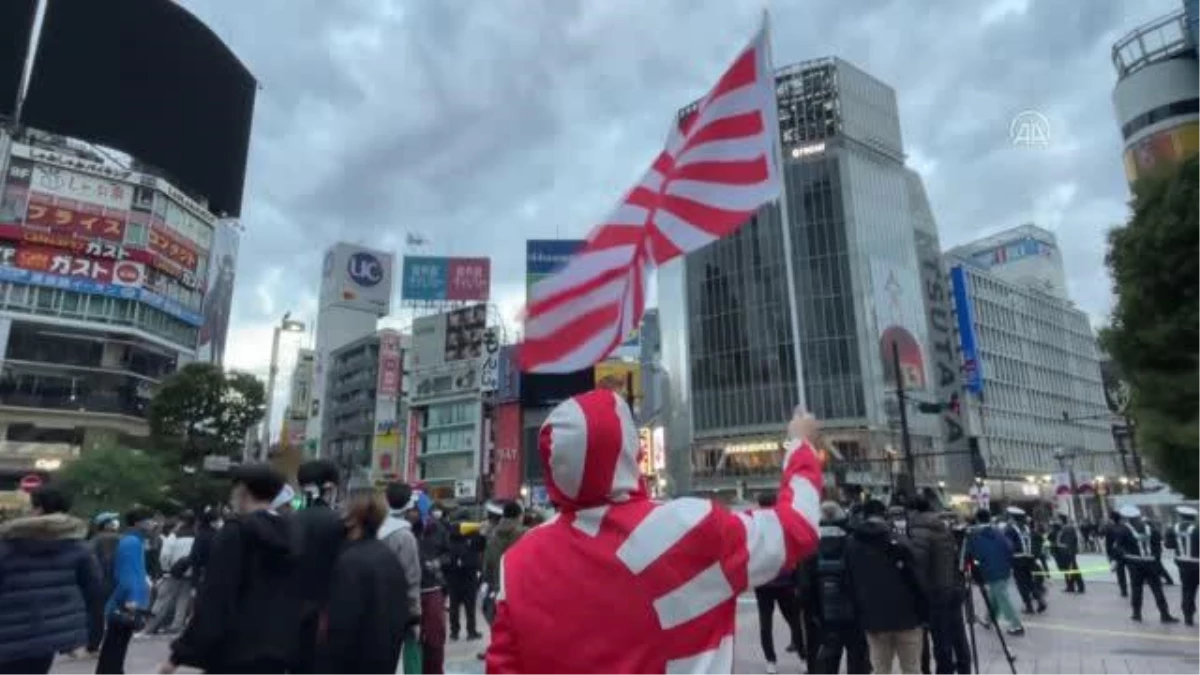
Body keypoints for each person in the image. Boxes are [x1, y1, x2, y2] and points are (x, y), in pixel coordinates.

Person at [486, 390, 823, 674]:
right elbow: (798, 526)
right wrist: (800, 445)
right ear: (634, 454)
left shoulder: (518, 562)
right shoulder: (689, 528)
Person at [158, 464, 303, 675]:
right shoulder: (293, 534)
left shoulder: (236, 532)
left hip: (234, 652)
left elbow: (216, 597)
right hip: (278, 652)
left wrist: (177, 657)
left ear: (242, 490)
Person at [0, 484, 103, 675]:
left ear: (38, 509)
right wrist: (91, 638)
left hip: (7, 639)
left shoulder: (7, 545)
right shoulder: (78, 548)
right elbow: (94, 593)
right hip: (46, 641)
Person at [317, 486, 409, 675]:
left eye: (344, 508)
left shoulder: (351, 561)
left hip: (353, 664)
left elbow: (341, 625)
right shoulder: (389, 557)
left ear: (352, 516)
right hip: (385, 660)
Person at [844, 499, 926, 675]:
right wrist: (924, 610)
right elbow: (917, 579)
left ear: (863, 516)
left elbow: (849, 582)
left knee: (880, 669)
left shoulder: (851, 544)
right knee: (912, 669)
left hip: (873, 618)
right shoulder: (898, 541)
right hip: (907, 617)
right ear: (885, 515)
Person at [800, 501, 869, 675]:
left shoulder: (811, 546)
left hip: (824, 614)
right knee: (858, 657)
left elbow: (804, 587)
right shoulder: (854, 543)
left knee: (826, 658)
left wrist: (812, 612)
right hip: (854, 612)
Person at [291, 459, 347, 675]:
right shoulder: (339, 523)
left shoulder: (288, 521)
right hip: (327, 617)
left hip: (288, 618)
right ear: (330, 487)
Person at [907, 497, 970, 675]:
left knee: (941, 641)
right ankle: (965, 669)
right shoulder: (942, 527)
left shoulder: (918, 531)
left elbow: (918, 565)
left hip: (935, 594)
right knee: (958, 636)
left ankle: (945, 671)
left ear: (913, 512)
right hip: (953, 589)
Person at [751, 491, 805, 675]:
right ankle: (803, 657)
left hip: (763, 581)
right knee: (794, 620)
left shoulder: (754, 522)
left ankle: (770, 661)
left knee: (765, 624)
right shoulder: (784, 520)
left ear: (758, 503)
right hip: (785, 578)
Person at [96, 507, 154, 675]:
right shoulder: (132, 542)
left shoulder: (132, 540)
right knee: (116, 645)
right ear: (138, 523)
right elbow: (130, 574)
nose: (152, 523)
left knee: (115, 644)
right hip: (126, 602)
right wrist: (133, 599)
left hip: (123, 599)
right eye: (148, 519)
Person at [380, 482, 424, 674]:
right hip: (399, 607)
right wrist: (415, 612)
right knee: (406, 654)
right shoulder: (405, 536)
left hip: (376, 604)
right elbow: (411, 577)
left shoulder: (375, 529)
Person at [963, 509, 1024, 636]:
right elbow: (1010, 547)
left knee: (1002, 597)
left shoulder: (973, 534)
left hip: (989, 570)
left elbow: (969, 554)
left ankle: (1016, 625)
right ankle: (989, 620)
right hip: (1004, 568)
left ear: (977, 519)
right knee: (995, 596)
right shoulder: (998, 531)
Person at [1114, 504, 1178, 624]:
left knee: (1136, 589)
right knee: (1157, 589)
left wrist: (1122, 559)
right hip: (1150, 563)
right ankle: (1165, 614)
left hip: (1135, 564)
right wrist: (1155, 559)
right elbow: (1157, 544)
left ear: (1126, 517)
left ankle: (1136, 614)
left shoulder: (1122, 530)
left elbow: (1118, 548)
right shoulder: (1149, 528)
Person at [409, 494, 448, 675]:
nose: (413, 513)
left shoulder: (438, 529)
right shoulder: (405, 531)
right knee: (412, 641)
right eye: (411, 509)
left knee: (435, 640)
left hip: (432, 590)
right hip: (409, 592)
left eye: (416, 509)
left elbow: (449, 554)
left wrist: (438, 562)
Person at [142, 512, 196, 635]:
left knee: (162, 599)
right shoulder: (196, 535)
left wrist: (166, 568)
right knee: (183, 599)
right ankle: (176, 625)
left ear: (181, 521)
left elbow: (165, 555)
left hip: (173, 572)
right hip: (189, 573)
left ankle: (149, 627)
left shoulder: (174, 536)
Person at [444, 511, 485, 641]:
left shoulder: (450, 533)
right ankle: (471, 631)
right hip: (469, 572)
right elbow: (481, 547)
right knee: (470, 604)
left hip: (453, 573)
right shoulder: (474, 533)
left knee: (454, 605)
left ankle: (454, 632)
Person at [87, 513, 122, 654]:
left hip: (98, 582)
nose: (115, 523)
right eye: (112, 521)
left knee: (96, 614)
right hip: (115, 580)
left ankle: (93, 644)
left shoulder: (94, 540)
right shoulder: (117, 538)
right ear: (106, 524)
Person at [1000, 507, 1046, 614]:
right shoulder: (1026, 528)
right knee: (1030, 581)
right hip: (1029, 559)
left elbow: (1008, 545)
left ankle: (1029, 606)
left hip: (1017, 559)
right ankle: (1039, 599)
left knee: (1021, 584)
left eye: (1009, 516)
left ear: (1012, 517)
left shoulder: (1010, 529)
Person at [1172, 505, 1199, 626]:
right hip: (1198, 563)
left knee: (1187, 590)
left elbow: (1167, 545)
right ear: (1194, 517)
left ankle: (1188, 617)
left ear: (1181, 516)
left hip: (1183, 565)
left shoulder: (1173, 528)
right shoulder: (1198, 528)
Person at [1052, 514, 1085, 594]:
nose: (1056, 521)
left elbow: (1068, 543)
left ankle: (1080, 587)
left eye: (1057, 520)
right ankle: (1070, 587)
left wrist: (1061, 546)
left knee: (1073, 570)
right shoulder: (1062, 529)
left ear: (1061, 520)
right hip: (1064, 554)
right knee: (1068, 570)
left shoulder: (1068, 528)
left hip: (1068, 553)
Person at [1105, 510, 1129, 597]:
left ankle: (1124, 591)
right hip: (1127, 553)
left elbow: (1108, 544)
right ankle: (1134, 587)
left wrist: (1110, 556)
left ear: (1112, 519)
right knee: (1132, 571)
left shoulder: (1110, 529)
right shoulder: (1125, 528)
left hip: (1117, 554)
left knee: (1120, 573)